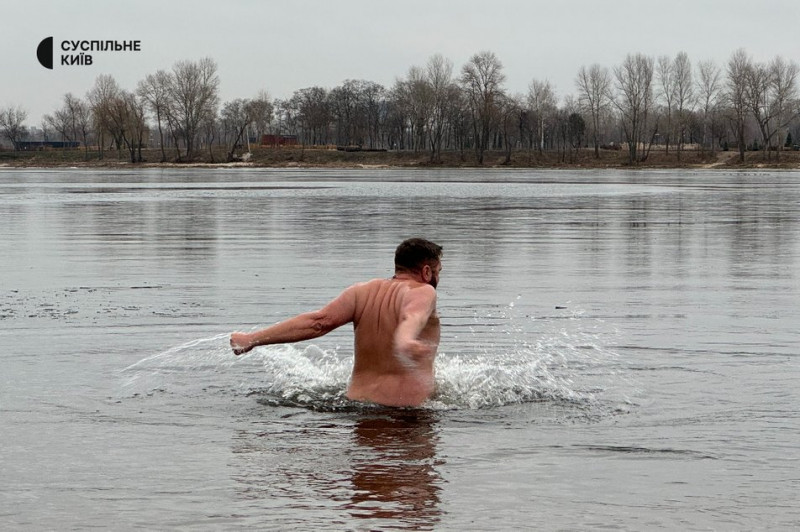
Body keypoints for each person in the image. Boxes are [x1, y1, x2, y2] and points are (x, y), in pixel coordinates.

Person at [230, 238, 443, 407]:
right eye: (438, 271)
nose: (438, 277)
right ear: (426, 271)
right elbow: (412, 316)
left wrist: (252, 339)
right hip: (409, 414)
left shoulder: (361, 292)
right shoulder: (424, 291)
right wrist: (405, 339)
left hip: (357, 404)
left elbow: (317, 322)